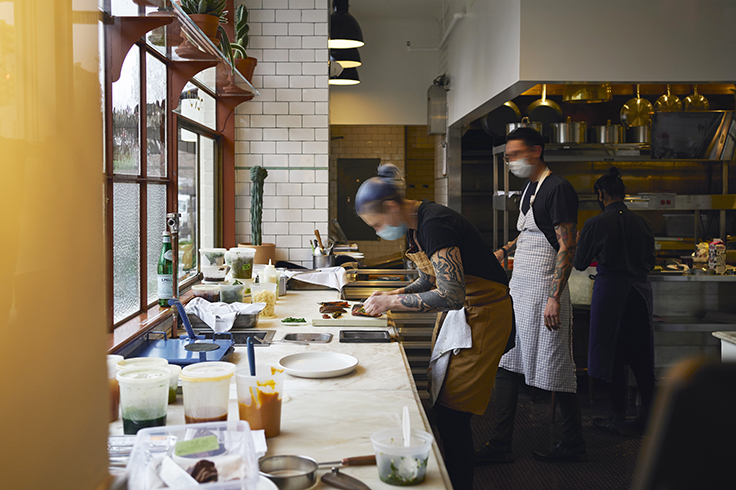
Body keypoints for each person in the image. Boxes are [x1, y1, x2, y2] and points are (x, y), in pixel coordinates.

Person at [356, 164, 514, 490]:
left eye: (375, 225)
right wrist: (395, 293)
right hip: (465, 315)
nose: (377, 232)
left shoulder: (435, 225)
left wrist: (391, 304)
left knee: (454, 414)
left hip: (484, 317)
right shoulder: (414, 226)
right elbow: (429, 278)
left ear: (390, 208)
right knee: (444, 402)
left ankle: (458, 483)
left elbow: (452, 294)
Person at [476, 127, 584, 464]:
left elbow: (567, 244)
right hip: (520, 289)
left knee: (556, 365)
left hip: (545, 292)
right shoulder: (529, 189)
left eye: (513, 155)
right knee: (506, 361)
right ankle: (500, 443)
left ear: (535, 151)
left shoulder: (558, 188)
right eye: (508, 156)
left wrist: (555, 296)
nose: (510, 161)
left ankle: (573, 443)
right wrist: (504, 250)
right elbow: (529, 232)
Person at [573, 167, 656, 435]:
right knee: (642, 359)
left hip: (611, 295)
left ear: (601, 194)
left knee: (614, 356)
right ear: (624, 194)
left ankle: (617, 418)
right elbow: (651, 262)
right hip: (639, 295)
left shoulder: (594, 224)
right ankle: (651, 420)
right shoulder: (642, 223)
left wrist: (578, 242)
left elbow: (581, 262)